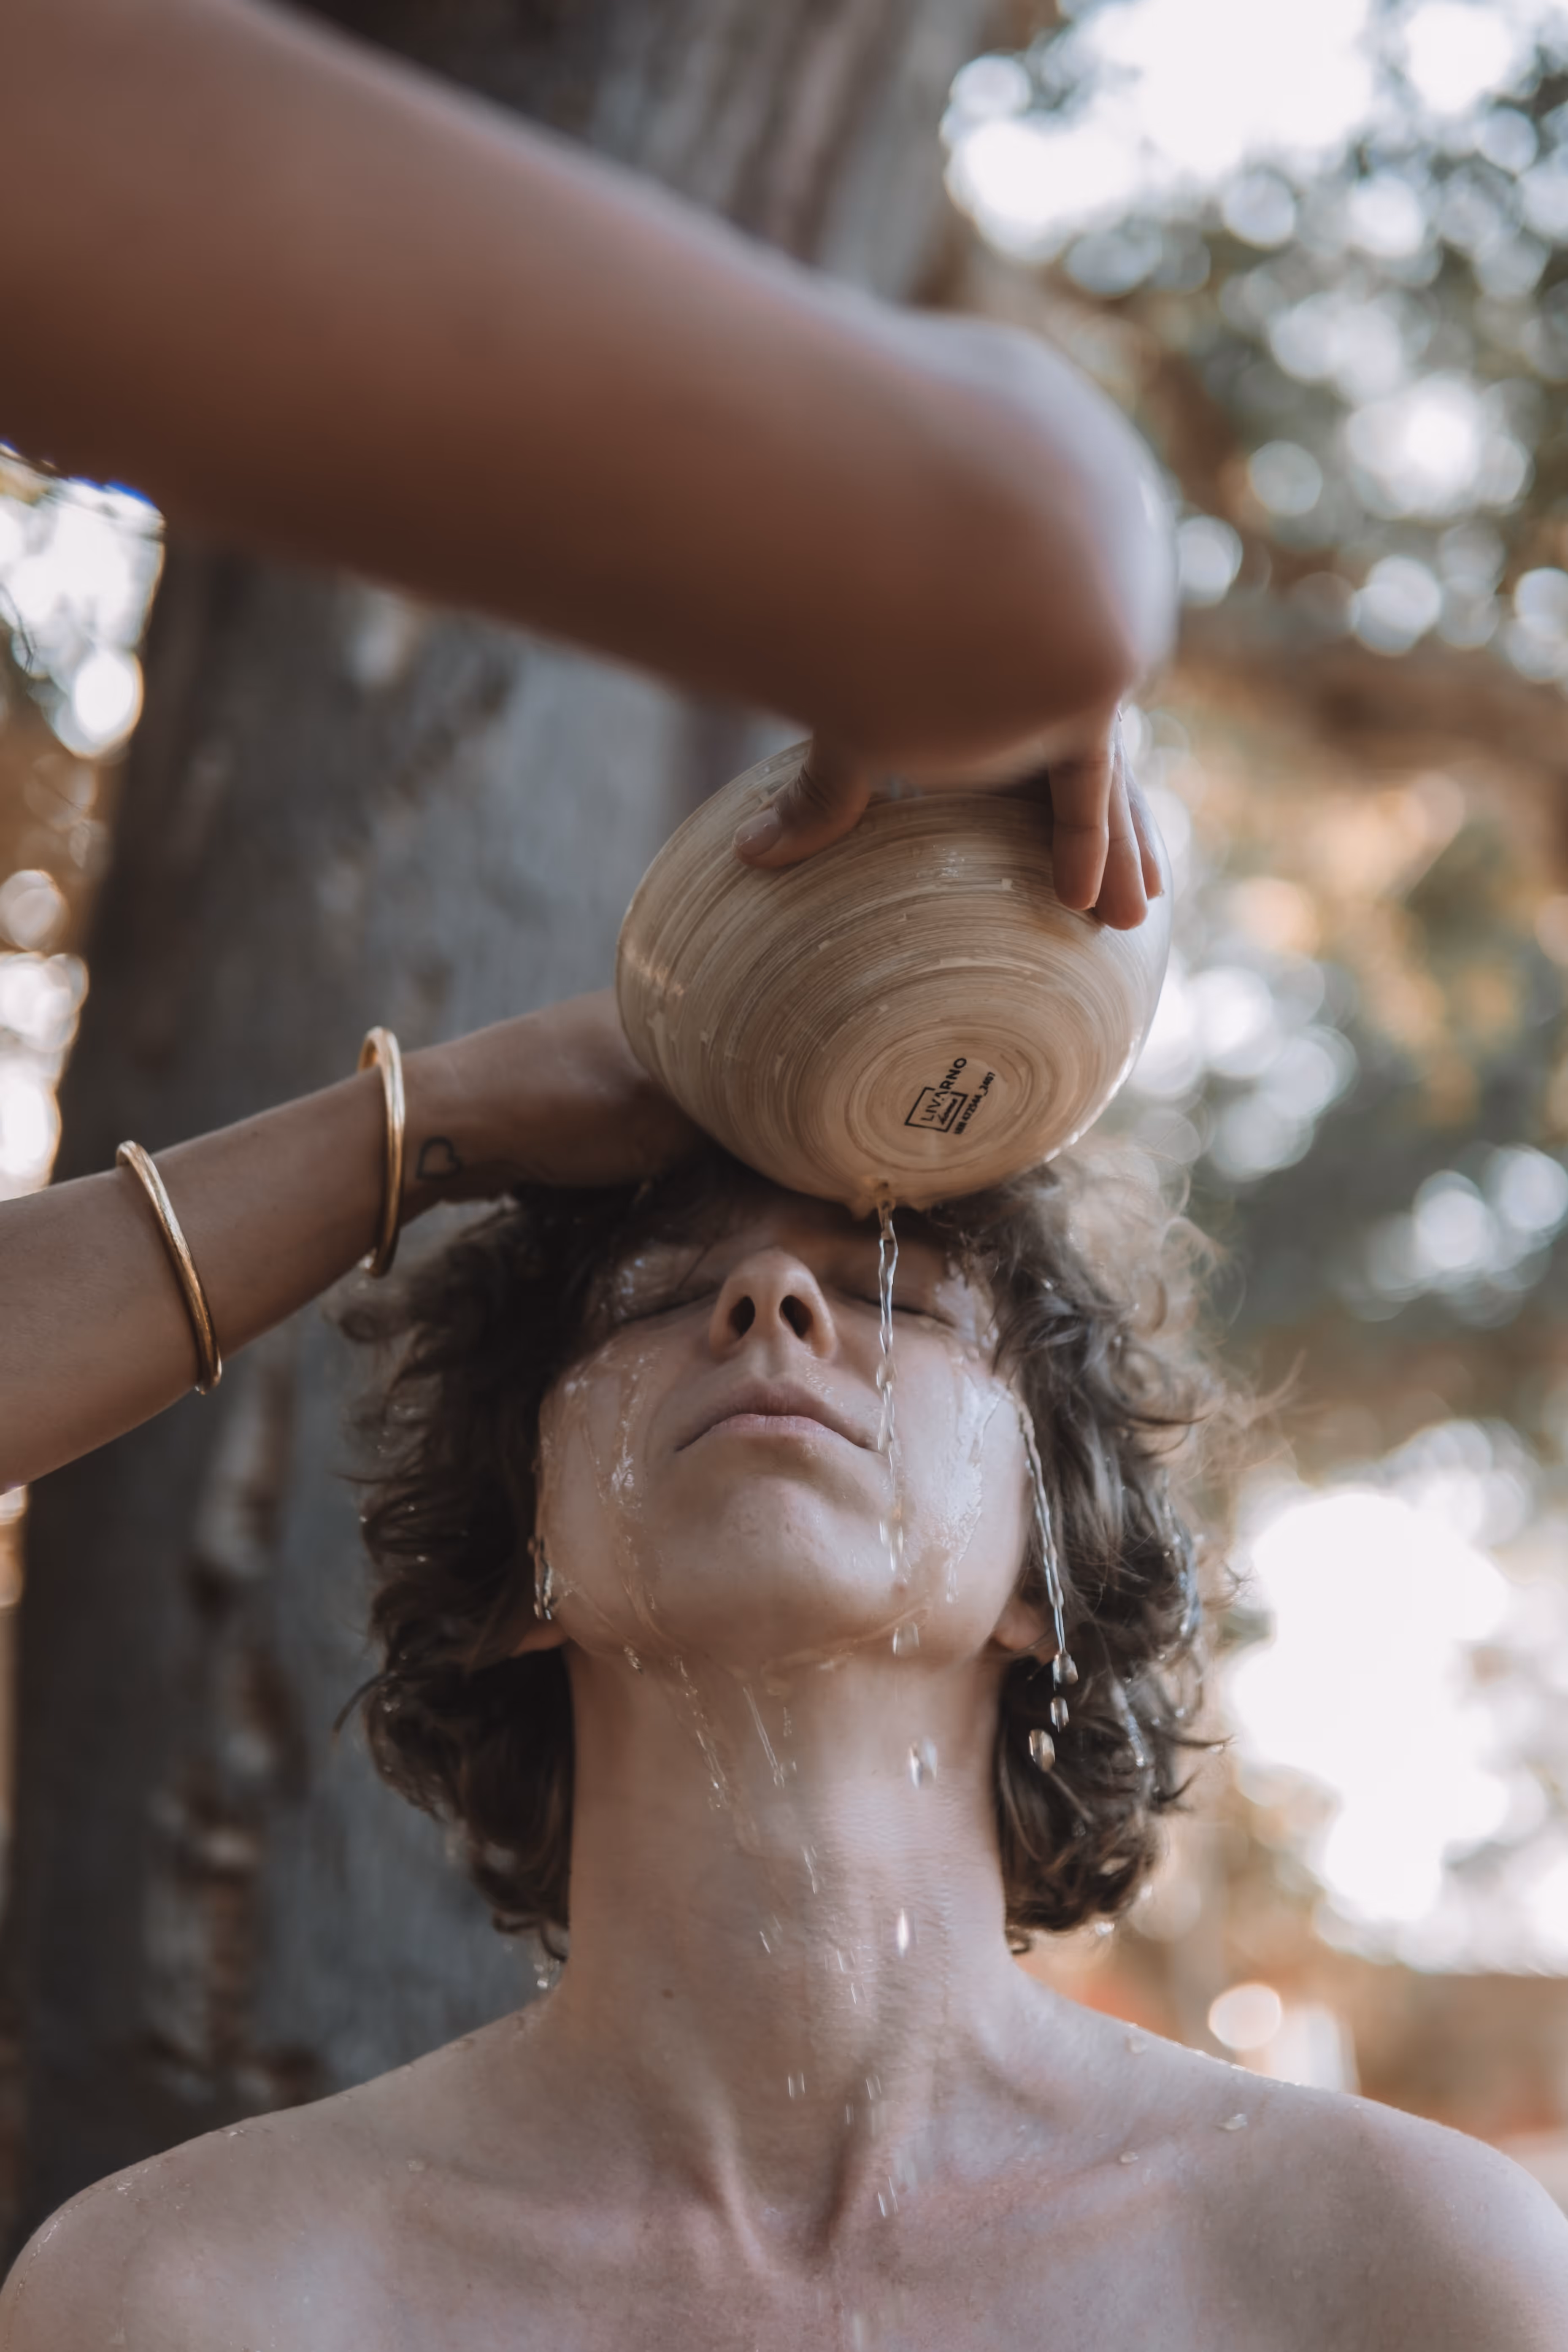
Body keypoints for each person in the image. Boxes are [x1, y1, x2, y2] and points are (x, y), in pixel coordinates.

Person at [2, 1011, 1567, 2348]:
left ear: (1045, 1570)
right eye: (659, 1298)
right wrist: (435, 1115)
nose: (770, 1307)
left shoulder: (1398, 2274)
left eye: (890, 1292)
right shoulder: (204, 2299)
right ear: (518, 1569)